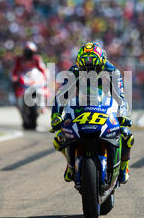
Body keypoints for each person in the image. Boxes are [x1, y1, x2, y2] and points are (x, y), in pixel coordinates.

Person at [50, 42, 134, 184]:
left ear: (101, 63)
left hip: (106, 109)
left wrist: (123, 114)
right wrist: (56, 116)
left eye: (94, 69)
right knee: (59, 138)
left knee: (126, 135)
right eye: (85, 69)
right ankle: (70, 165)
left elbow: (120, 97)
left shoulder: (113, 72)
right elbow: (61, 95)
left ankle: (124, 167)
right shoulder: (73, 71)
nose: (90, 72)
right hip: (82, 108)